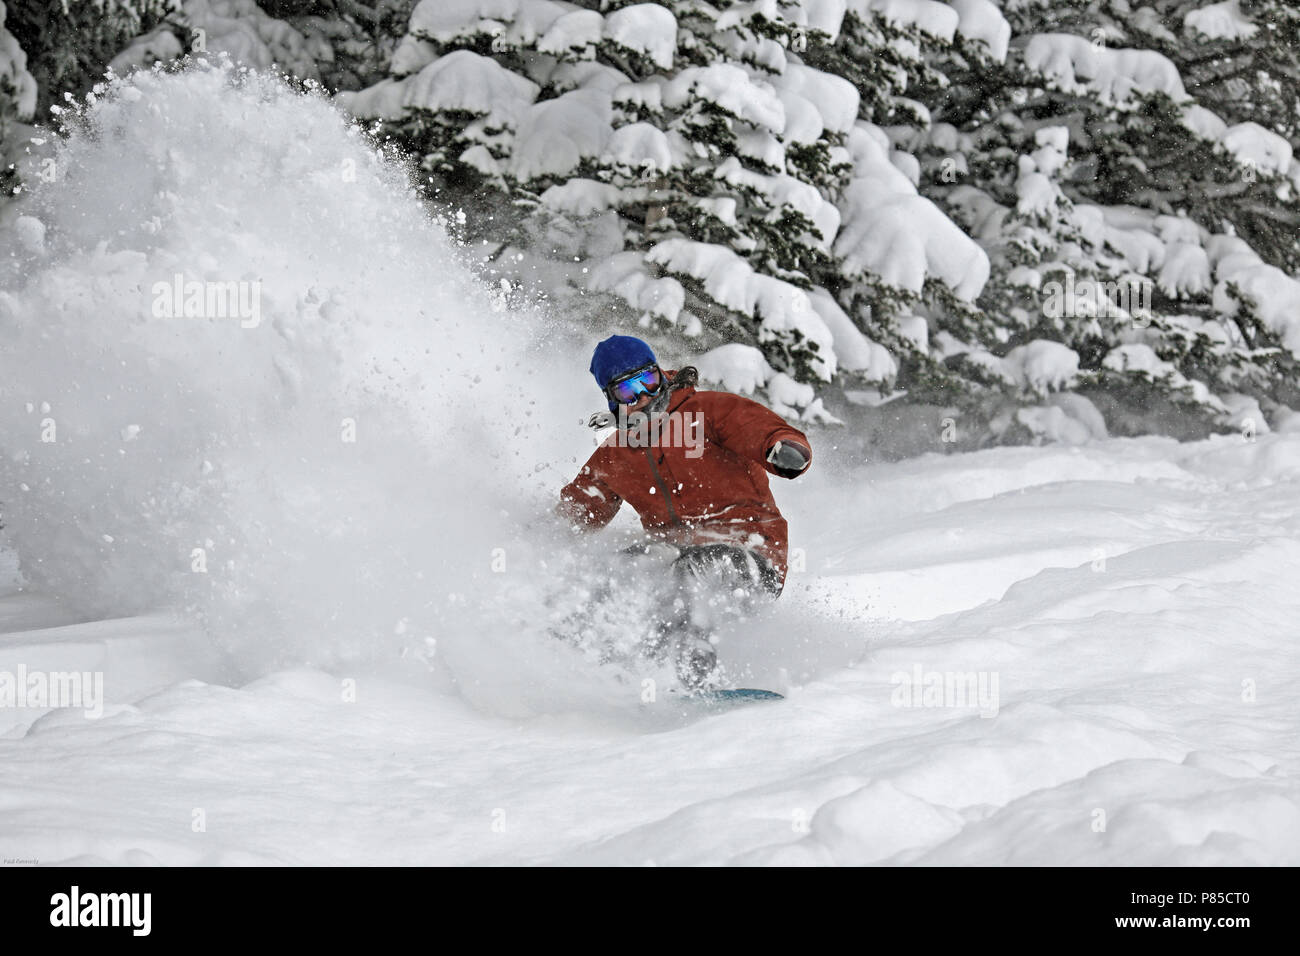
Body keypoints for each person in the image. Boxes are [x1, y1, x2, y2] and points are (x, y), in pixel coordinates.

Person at [557, 334, 812, 689]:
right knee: (618, 570)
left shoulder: (707, 412)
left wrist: (783, 448)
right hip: (675, 555)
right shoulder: (617, 453)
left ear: (660, 375)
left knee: (694, 570)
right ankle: (602, 671)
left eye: (647, 381)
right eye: (628, 392)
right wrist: (534, 541)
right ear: (612, 399)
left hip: (752, 552)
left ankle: (698, 680)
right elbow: (576, 513)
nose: (643, 397)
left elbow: (758, 428)